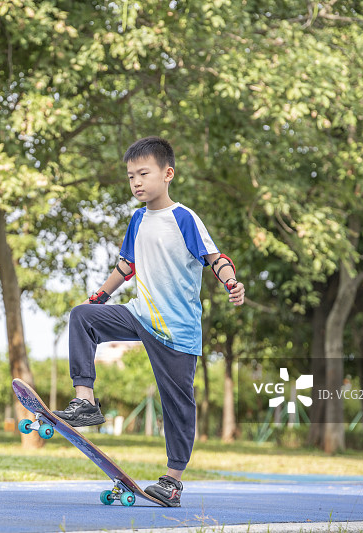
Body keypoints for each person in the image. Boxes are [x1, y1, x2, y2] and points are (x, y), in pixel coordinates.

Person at [54, 136, 245, 507]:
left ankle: (172, 482)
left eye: (144, 174)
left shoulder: (184, 218)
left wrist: (231, 283)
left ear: (167, 174)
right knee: (82, 317)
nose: (136, 182)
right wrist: (99, 297)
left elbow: (215, 258)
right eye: (131, 177)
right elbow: (126, 266)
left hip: (176, 331)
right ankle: (85, 401)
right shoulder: (138, 219)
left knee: (178, 405)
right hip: (139, 313)